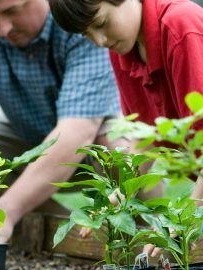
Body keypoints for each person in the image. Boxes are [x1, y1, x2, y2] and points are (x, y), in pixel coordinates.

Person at [0, 0, 122, 246]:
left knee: (121, 152)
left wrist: (3, 214)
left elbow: (75, 133)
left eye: (12, 11)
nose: (3, 28)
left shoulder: (78, 12)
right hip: (22, 122)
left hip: (97, 123)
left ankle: (148, 241)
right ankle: (40, 228)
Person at [48, 0, 203, 257]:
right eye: (87, 34)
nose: (99, 40)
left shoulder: (180, 26)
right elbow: (147, 137)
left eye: (101, 23)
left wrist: (188, 216)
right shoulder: (123, 49)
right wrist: (120, 196)